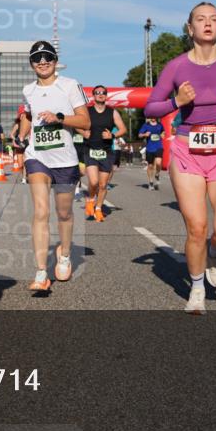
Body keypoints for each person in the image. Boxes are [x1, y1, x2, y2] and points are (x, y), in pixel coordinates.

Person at [144, 2, 216, 314]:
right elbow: (151, 107)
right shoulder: (176, 67)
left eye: (214, 19)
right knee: (197, 226)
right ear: (189, 29)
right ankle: (196, 287)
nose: (207, 24)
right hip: (187, 149)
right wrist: (177, 100)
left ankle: (214, 253)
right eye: (200, 19)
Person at [18, 41, 90, 291]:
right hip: (37, 156)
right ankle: (40, 272)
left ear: (55, 60)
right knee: (40, 211)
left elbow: (85, 121)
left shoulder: (70, 85)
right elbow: (27, 114)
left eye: (48, 56)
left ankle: (65, 253)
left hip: (65, 160)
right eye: (37, 58)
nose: (43, 61)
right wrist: (21, 134)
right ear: (31, 64)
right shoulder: (28, 90)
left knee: (64, 213)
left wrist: (59, 118)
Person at [77, 86, 126, 222]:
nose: (100, 95)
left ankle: (98, 209)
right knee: (93, 181)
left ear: (106, 96)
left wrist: (112, 135)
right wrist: (83, 132)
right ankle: (91, 199)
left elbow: (123, 129)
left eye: (103, 93)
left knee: (103, 185)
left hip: (106, 151)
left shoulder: (113, 112)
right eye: (97, 93)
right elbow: (76, 124)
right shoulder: (87, 111)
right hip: (90, 149)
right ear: (93, 96)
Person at [138, 116, 166, 190]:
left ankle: (157, 174)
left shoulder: (160, 125)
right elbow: (139, 134)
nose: (153, 117)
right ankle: (150, 182)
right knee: (150, 166)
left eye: (154, 116)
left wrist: (163, 134)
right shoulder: (146, 125)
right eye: (151, 116)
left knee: (158, 163)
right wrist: (144, 135)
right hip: (150, 148)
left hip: (158, 146)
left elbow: (163, 131)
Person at [10, 112, 28, 184]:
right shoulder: (17, 125)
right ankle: (24, 175)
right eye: (21, 116)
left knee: (25, 162)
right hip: (19, 145)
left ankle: (24, 178)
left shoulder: (29, 125)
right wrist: (15, 140)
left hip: (27, 145)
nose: (22, 117)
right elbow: (11, 134)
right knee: (20, 164)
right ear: (19, 117)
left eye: (24, 116)